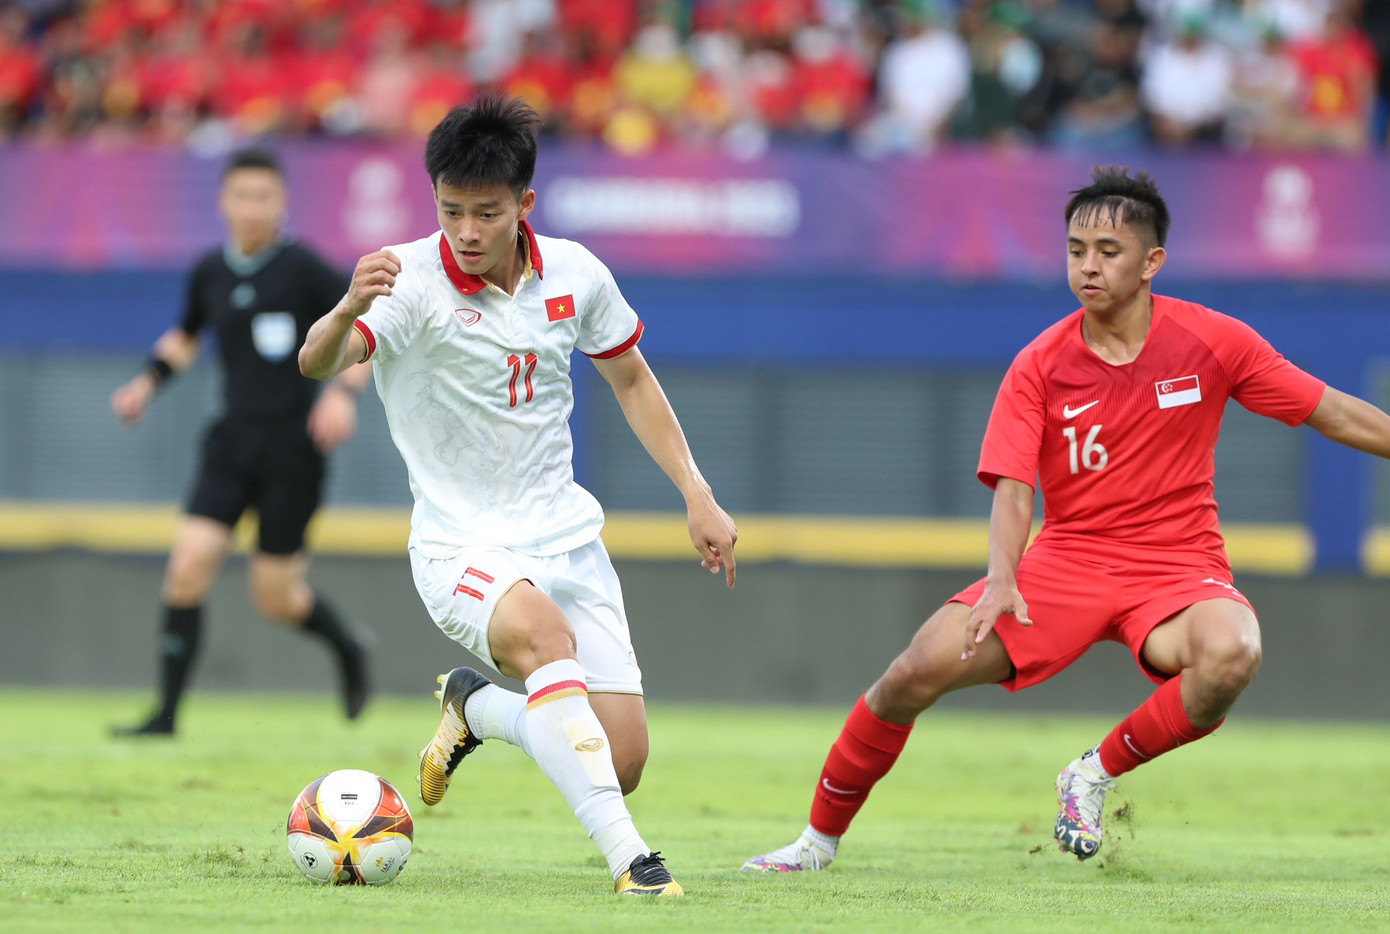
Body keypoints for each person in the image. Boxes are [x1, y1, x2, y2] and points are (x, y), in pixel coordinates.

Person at [742, 165, 1390, 872]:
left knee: (1234, 652)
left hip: (1177, 566)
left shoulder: (1214, 342)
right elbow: (1015, 489)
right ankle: (816, 843)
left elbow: (1332, 410)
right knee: (912, 671)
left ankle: (1092, 773)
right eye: (1076, 248)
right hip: (1066, 562)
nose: (1088, 265)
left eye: (1108, 251)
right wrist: (1000, 578)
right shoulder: (1040, 364)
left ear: (1151, 263)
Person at [298, 95, 738, 897]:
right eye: (450, 209)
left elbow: (633, 380)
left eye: (486, 213)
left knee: (621, 758)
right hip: (460, 547)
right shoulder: (407, 279)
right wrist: (346, 307)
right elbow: (317, 363)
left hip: (566, 538)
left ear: (524, 205)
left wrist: (697, 494)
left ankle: (477, 710)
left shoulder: (576, 273)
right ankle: (633, 864)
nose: (465, 230)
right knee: (543, 638)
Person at [111, 147, 374, 737]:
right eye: (242, 196)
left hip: (292, 453)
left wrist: (341, 395)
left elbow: (364, 330)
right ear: (223, 203)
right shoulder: (210, 271)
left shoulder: (304, 268)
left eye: (264, 197)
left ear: (281, 204)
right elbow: (185, 337)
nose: (253, 207)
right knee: (187, 568)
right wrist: (144, 385)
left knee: (275, 598)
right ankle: (166, 716)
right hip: (231, 445)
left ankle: (350, 648)